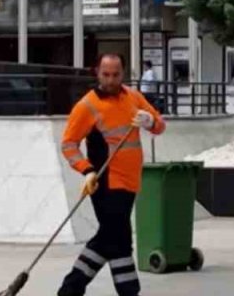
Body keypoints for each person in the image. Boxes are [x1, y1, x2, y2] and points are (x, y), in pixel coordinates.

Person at [57, 53, 166, 296]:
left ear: (123, 73)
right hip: (105, 182)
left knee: (111, 238)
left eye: (116, 74)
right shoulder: (87, 106)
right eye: (106, 74)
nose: (111, 80)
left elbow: (160, 125)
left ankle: (70, 289)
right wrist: (86, 170)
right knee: (118, 237)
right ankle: (125, 291)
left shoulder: (134, 97)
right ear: (97, 73)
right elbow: (68, 144)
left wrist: (149, 121)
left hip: (129, 183)